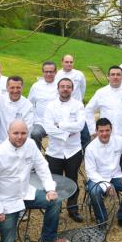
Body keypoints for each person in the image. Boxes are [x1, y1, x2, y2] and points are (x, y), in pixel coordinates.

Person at [85, 118, 122, 231]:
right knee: (94, 192)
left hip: (115, 175)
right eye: (101, 131)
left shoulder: (119, 140)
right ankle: (102, 220)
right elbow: (91, 172)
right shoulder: (90, 148)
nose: (104, 133)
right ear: (96, 131)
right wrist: (107, 185)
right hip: (97, 178)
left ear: (111, 130)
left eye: (107, 130)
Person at [42, 78, 85, 223]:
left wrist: (59, 125)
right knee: (55, 182)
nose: (65, 89)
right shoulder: (50, 106)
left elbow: (79, 125)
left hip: (73, 151)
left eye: (68, 87)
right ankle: (56, 208)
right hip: (54, 152)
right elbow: (48, 128)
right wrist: (67, 132)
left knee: (73, 180)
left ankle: (73, 209)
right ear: (58, 89)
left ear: (72, 89)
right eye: (62, 86)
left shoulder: (78, 105)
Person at [85, 66, 122, 146]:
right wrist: (93, 130)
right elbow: (88, 110)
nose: (115, 77)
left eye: (118, 74)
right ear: (108, 77)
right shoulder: (101, 92)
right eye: (113, 74)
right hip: (105, 137)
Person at [0, 76, 33, 152]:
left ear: (22, 87)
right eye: (12, 87)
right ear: (7, 88)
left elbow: (27, 130)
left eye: (18, 87)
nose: (15, 90)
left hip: (19, 146)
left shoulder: (28, 105)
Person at [58, 54, 89, 149]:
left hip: (77, 107)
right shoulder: (58, 75)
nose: (69, 64)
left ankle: (86, 154)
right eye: (66, 62)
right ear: (62, 62)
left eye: (71, 62)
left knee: (85, 134)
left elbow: (83, 89)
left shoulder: (79, 74)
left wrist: (79, 101)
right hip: (63, 107)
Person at [28, 61, 59, 149]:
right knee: (34, 133)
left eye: (51, 71)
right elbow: (28, 104)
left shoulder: (60, 85)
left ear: (55, 72)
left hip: (57, 122)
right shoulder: (36, 86)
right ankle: (36, 157)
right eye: (46, 72)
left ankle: (56, 158)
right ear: (43, 72)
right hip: (40, 122)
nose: (48, 74)